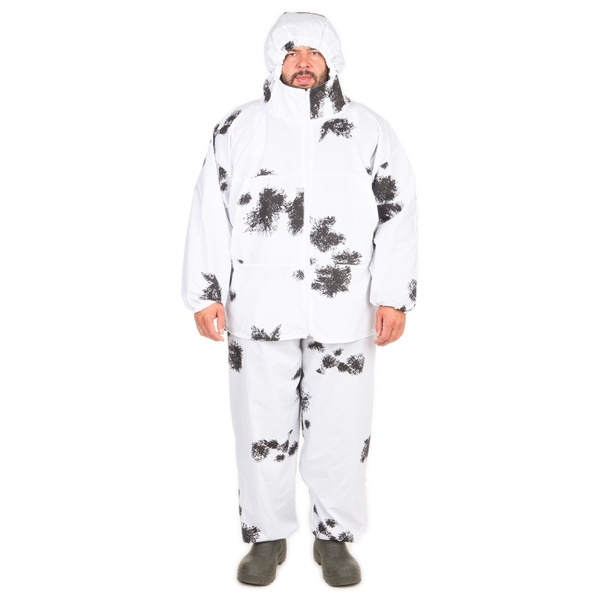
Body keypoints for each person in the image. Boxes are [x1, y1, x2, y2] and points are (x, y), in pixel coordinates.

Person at [181, 11, 418, 587]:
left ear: (332, 60)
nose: (304, 62)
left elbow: (397, 212)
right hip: (258, 306)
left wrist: (393, 295)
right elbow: (210, 210)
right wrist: (205, 291)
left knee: (342, 428)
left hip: (346, 308)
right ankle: (265, 536)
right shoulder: (238, 128)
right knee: (259, 426)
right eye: (292, 52)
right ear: (275, 61)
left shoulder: (368, 130)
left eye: (314, 52)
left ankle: (334, 537)